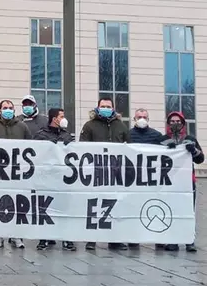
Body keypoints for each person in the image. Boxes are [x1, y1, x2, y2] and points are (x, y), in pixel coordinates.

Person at [79, 97, 130, 251]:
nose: (106, 108)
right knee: (94, 206)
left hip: (115, 173)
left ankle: (115, 239)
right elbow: (83, 147)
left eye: (108, 106)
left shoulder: (121, 126)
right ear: (97, 107)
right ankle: (91, 239)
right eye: (103, 106)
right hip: (96, 172)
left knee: (115, 205)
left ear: (113, 108)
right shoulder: (89, 126)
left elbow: (130, 148)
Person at [0, 99, 32, 248]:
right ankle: (0, 236)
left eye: (10, 108)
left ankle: (17, 236)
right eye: (5, 108)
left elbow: (30, 147)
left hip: (17, 171)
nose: (8, 110)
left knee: (16, 204)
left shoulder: (22, 127)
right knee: (0, 203)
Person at [159, 112, 203, 252]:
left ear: (183, 123)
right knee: (172, 211)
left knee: (188, 212)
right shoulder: (163, 139)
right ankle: (173, 240)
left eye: (178, 121)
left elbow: (200, 158)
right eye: (172, 121)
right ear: (168, 123)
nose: (175, 123)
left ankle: (189, 240)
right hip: (170, 182)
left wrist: (193, 150)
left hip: (188, 182)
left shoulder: (190, 139)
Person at [33, 108, 75, 251]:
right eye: (61, 116)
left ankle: (66, 238)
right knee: (46, 209)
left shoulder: (67, 135)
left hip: (63, 178)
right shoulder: (41, 135)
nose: (64, 119)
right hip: (47, 178)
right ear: (54, 118)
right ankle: (44, 238)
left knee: (64, 209)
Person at [126, 108, 166, 249]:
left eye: (144, 116)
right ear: (134, 119)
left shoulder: (157, 136)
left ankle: (159, 238)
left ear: (148, 119)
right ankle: (133, 238)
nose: (142, 119)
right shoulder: (127, 135)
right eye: (139, 116)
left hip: (151, 179)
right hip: (133, 179)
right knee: (134, 208)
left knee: (154, 207)